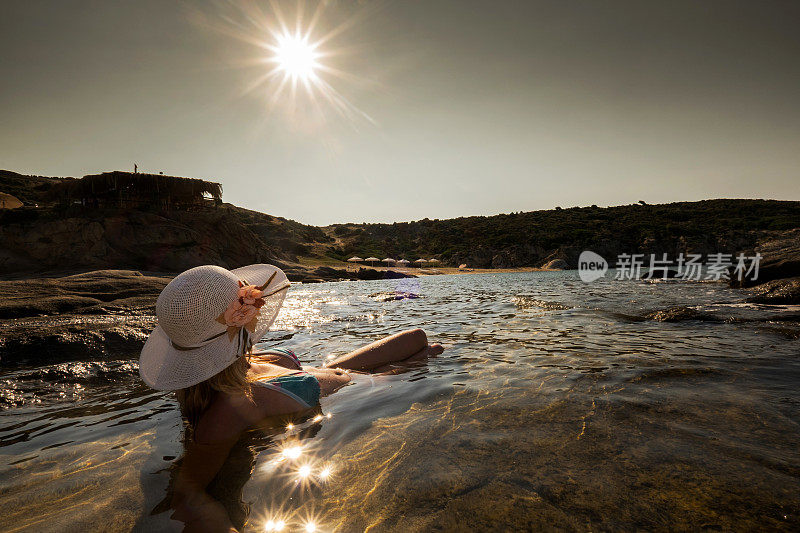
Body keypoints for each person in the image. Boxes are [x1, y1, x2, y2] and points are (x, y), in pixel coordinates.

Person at [139, 264, 443, 532]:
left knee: (417, 337)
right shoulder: (226, 411)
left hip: (336, 372)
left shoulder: (239, 363)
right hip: (363, 388)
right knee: (435, 350)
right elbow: (187, 497)